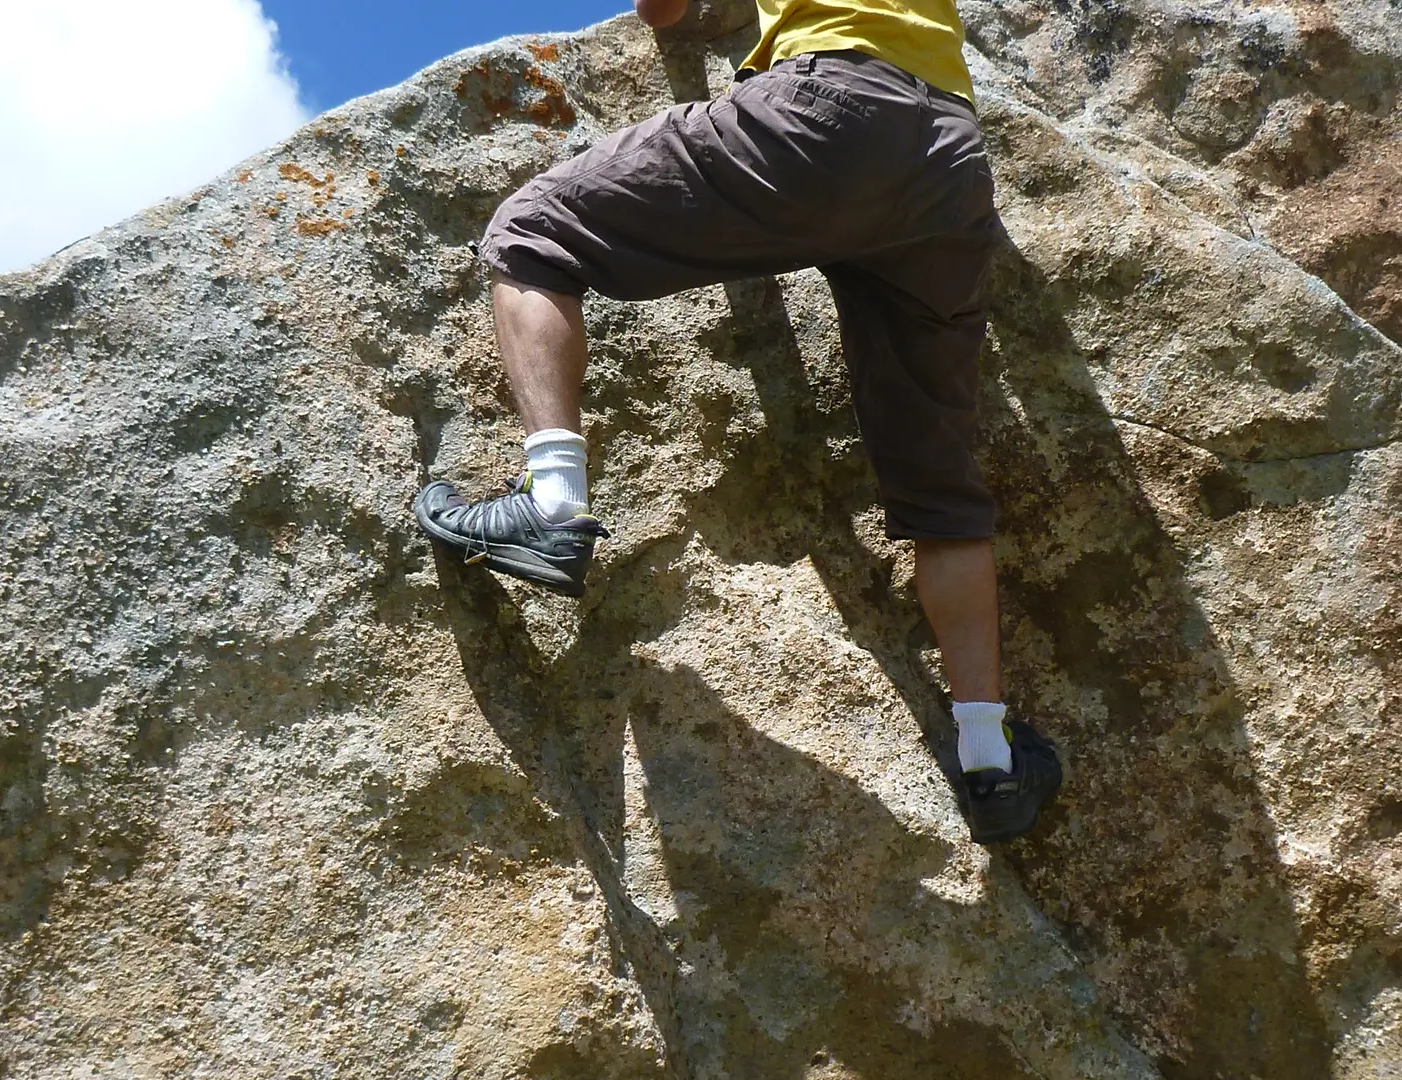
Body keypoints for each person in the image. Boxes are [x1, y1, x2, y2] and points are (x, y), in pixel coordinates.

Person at [412, 0, 1061, 843]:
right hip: (946, 157)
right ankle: (990, 758)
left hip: (829, 108)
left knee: (533, 234)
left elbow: (662, 10)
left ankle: (551, 501)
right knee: (941, 489)